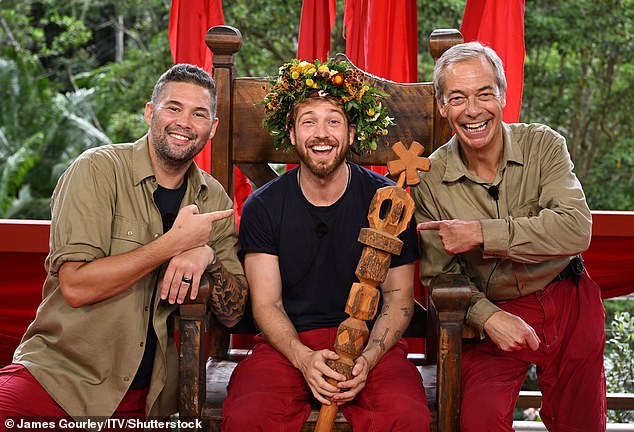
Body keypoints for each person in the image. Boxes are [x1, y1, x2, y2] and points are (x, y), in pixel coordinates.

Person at [0, 64, 248, 424]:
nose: (184, 122)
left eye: (199, 114)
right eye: (173, 108)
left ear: (211, 129)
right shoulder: (97, 171)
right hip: (58, 379)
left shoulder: (215, 200)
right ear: (150, 112)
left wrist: (206, 254)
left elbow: (234, 312)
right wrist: (172, 244)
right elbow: (75, 286)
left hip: (146, 402)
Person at [221, 59, 430, 431]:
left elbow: (398, 301)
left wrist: (369, 358)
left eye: (333, 120)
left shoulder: (387, 202)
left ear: (351, 132)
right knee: (247, 415)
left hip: (371, 345)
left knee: (405, 415)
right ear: (291, 133)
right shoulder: (263, 207)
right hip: (288, 343)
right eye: (308, 121)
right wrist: (303, 358)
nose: (322, 133)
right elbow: (266, 304)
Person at [412, 42, 606, 431]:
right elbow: (438, 275)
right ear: (441, 106)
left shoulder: (544, 144)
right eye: (458, 98)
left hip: (568, 297)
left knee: (581, 421)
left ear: (502, 95)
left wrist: (481, 234)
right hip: (494, 310)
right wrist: (490, 317)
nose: (473, 110)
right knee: (479, 419)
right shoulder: (428, 178)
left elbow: (575, 227)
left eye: (485, 93)